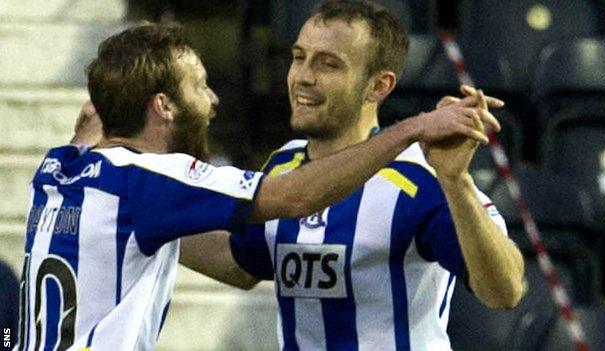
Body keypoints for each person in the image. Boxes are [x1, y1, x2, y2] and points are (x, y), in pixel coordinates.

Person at [14, 20, 497, 351]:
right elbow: (294, 195)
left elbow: (505, 290)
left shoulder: (60, 168)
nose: (213, 98)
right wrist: (411, 128)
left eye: (325, 62)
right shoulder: (153, 182)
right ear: (163, 105)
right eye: (199, 85)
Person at [180, 1, 525, 350]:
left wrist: (457, 182)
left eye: (328, 64)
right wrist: (142, 224)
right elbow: (243, 264)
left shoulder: (421, 178)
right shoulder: (283, 167)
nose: (303, 77)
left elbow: (504, 290)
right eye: (299, 57)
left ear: (378, 86)